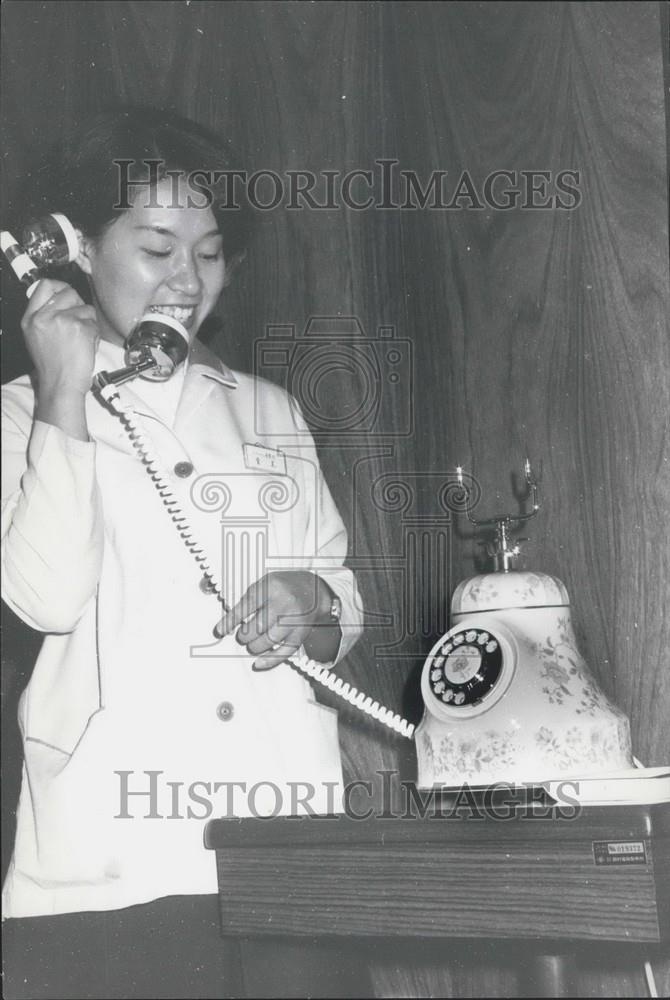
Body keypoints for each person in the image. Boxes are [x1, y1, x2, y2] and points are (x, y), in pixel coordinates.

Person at [1, 108, 364, 998]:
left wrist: (309, 601)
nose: (186, 280)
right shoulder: (19, 416)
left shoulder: (269, 408)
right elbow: (44, 598)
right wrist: (61, 392)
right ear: (76, 249)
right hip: (111, 862)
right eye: (157, 247)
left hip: (288, 844)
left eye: (207, 253)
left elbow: (343, 599)